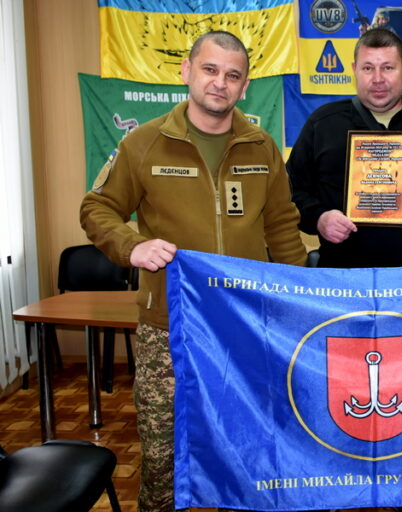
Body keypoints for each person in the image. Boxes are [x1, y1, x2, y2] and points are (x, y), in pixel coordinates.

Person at [80, 31, 306, 512]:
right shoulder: (144, 143)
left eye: (232, 75)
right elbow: (96, 208)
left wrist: (298, 302)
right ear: (186, 71)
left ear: (245, 86)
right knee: (164, 457)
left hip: (245, 327)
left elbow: (283, 228)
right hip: (170, 330)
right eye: (210, 69)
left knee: (247, 451)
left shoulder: (261, 146)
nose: (220, 83)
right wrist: (132, 246)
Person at [287, 27, 402, 268]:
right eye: (368, 68)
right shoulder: (323, 123)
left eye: (387, 67)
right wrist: (319, 218)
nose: (377, 79)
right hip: (341, 275)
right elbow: (290, 191)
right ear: (354, 69)